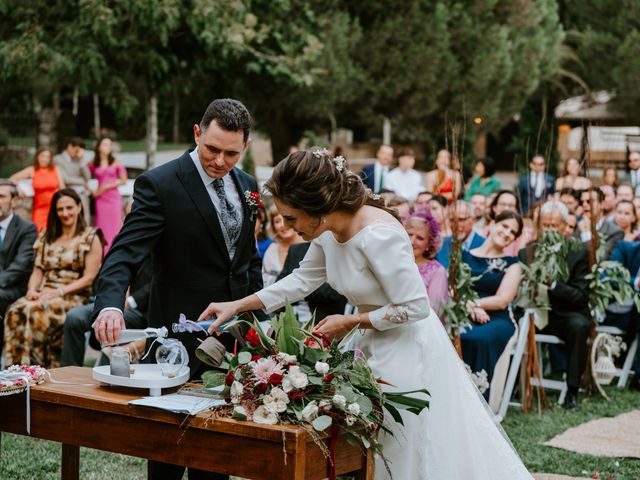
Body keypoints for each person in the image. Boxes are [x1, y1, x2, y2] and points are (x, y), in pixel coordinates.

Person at [199, 149, 532, 480]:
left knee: (396, 445)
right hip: (369, 341)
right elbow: (301, 280)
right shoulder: (326, 229)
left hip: (407, 346)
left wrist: (351, 321)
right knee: (363, 445)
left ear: (318, 208)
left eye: (291, 218)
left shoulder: (377, 235)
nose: (286, 226)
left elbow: (415, 306)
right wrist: (238, 305)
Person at [92, 99, 264, 480]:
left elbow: (247, 261)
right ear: (197, 133)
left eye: (231, 153)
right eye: (212, 149)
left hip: (233, 341)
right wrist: (109, 304)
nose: (220, 160)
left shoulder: (249, 186)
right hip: (175, 340)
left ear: (246, 147)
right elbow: (125, 252)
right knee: (169, 455)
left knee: (219, 454)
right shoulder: (161, 183)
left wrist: (259, 322)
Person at [3, 189, 103, 368]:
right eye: (60, 209)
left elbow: (89, 278)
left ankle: (42, 369)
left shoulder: (91, 236)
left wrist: (59, 291)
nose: (65, 213)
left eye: (69, 208)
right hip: (45, 293)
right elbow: (38, 270)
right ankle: (16, 373)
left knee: (34, 313)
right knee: (15, 310)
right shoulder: (47, 235)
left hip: (74, 295)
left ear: (79, 207)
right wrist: (32, 290)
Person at [519, 201, 590, 409]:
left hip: (564, 314)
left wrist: (553, 284)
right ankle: (516, 384)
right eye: (545, 225)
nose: (549, 230)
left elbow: (579, 296)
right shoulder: (527, 253)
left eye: (554, 226)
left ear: (564, 226)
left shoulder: (578, 252)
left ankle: (572, 391)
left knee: (579, 326)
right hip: (533, 313)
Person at [460, 211, 523, 402]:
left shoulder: (513, 265)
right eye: (504, 226)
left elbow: (503, 299)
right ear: (493, 224)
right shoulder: (464, 256)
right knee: (453, 335)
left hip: (497, 318)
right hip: (463, 312)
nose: (506, 233)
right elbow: (454, 289)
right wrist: (469, 307)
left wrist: (475, 303)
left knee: (479, 338)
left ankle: (478, 400)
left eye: (512, 232)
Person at [61, 257, 151, 367]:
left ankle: (104, 377)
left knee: (112, 324)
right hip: (120, 303)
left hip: (145, 312)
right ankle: (70, 373)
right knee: (75, 316)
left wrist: (132, 300)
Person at [0, 180, 37, 347]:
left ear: (14, 201)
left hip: (15, 286)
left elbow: (20, 265)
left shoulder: (27, 228)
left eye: (1, 197)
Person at [404, 209, 449, 316]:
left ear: (429, 244)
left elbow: (434, 310)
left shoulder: (437, 270)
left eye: (420, 238)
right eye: (409, 234)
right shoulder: (392, 261)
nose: (411, 241)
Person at [10, 148, 65, 231]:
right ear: (37, 157)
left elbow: (62, 188)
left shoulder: (55, 169)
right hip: (40, 208)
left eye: (48, 157)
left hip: (55, 206)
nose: (45, 159)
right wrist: (19, 190)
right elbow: (12, 179)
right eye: (42, 156)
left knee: (55, 230)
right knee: (39, 231)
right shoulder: (32, 170)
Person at [89, 137, 127, 250]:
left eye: (110, 145)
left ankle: (115, 250)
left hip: (113, 198)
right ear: (99, 146)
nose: (108, 147)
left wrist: (106, 186)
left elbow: (123, 180)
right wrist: (93, 191)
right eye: (105, 144)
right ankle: (101, 251)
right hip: (100, 199)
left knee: (115, 225)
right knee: (101, 225)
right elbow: (84, 177)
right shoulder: (92, 163)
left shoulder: (115, 162)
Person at [262, 204, 303, 287]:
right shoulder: (271, 250)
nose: (283, 225)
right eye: (277, 221)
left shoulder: (309, 245)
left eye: (286, 219)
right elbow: (265, 281)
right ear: (273, 226)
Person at [577, 187, 623, 259]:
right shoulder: (576, 227)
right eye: (582, 202)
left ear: (602, 204)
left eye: (589, 201)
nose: (584, 205)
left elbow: (600, 260)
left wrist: (586, 234)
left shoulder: (615, 232)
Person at [54, 137, 91, 224]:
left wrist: (82, 161)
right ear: (70, 146)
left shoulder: (80, 159)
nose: (78, 153)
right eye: (77, 150)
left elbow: (88, 177)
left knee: (84, 220)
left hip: (82, 195)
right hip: (68, 195)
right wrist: (83, 182)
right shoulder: (58, 159)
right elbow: (66, 179)